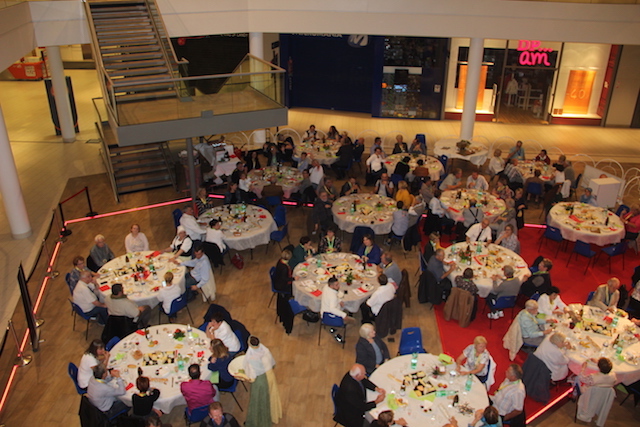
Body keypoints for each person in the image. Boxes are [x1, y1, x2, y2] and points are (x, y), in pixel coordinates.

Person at [243, 336, 282, 426]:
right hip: (270, 376)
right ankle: (273, 415)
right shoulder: (265, 350)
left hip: (260, 382)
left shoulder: (251, 358)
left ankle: (259, 421)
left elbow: (252, 376)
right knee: (271, 396)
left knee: (259, 402)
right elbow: (272, 363)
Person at [576, 357, 617, 426]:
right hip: (605, 394)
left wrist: (583, 368)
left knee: (576, 379)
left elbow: (581, 378)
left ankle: (574, 394)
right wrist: (598, 362)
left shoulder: (593, 377)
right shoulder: (613, 375)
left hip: (592, 394)